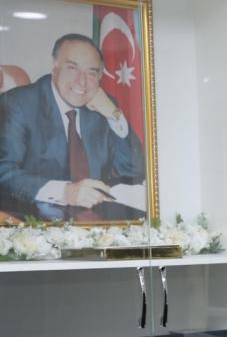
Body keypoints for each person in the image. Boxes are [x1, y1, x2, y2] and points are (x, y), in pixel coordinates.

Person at [0, 33, 145, 219]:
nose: (82, 82)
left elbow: (134, 170)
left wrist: (114, 115)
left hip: (94, 221)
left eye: (91, 72)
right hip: (32, 220)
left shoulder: (102, 105)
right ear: (54, 67)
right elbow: (4, 172)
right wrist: (65, 192)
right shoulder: (17, 103)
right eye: (72, 68)